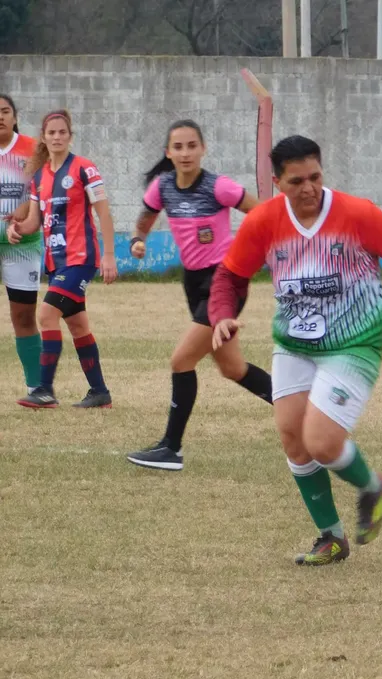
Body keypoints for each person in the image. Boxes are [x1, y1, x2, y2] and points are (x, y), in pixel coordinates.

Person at [208, 135, 382, 566]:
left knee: (322, 442)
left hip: (355, 339)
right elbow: (230, 277)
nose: (308, 188)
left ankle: (371, 486)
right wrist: (222, 315)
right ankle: (331, 538)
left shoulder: (358, 214)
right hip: (294, 341)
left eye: (315, 177)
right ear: (277, 182)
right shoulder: (263, 221)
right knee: (293, 439)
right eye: (296, 181)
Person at [125, 120, 272, 471]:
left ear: (203, 149)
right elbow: (144, 220)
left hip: (225, 282)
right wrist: (137, 240)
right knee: (233, 369)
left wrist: (253, 253)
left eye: (192, 145)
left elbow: (263, 215)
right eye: (178, 147)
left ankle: (171, 449)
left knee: (181, 360)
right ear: (168, 152)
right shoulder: (162, 187)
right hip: (193, 283)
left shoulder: (219, 186)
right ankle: (303, 408)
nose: (185, 153)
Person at [6, 109, 117, 408]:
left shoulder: (84, 168)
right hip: (56, 263)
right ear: (43, 138)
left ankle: (44, 389)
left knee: (45, 314)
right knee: (78, 326)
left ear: (70, 136)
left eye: (62, 132)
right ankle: (100, 392)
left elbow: (104, 213)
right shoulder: (39, 177)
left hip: (81, 259)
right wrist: (16, 229)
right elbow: (33, 222)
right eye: (51, 132)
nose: (57, 137)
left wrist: (109, 255)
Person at [0, 94, 44, 403]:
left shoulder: (33, 150)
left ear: (15, 117)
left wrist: (27, 215)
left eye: (4, 111)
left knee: (24, 316)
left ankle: (37, 389)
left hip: (23, 244)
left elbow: (45, 191)